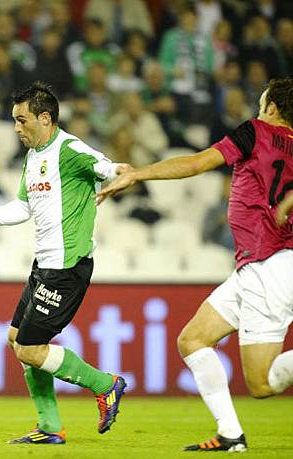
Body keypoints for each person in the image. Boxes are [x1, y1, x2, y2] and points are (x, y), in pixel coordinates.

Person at [97, 77, 293, 452]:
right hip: (266, 266)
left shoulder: (257, 131)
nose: (257, 106)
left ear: (272, 108)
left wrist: (139, 173)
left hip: (267, 266)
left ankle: (232, 435)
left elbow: (197, 162)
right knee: (193, 339)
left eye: (261, 99)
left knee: (262, 385)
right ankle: (230, 435)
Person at [0, 82, 129, 445]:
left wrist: (116, 178)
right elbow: (22, 208)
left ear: (44, 118)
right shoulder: (34, 157)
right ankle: (49, 427)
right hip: (43, 264)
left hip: (67, 268)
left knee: (31, 349)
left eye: (22, 120)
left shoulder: (70, 150)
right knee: (16, 339)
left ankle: (105, 385)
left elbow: (114, 169)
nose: (16, 129)